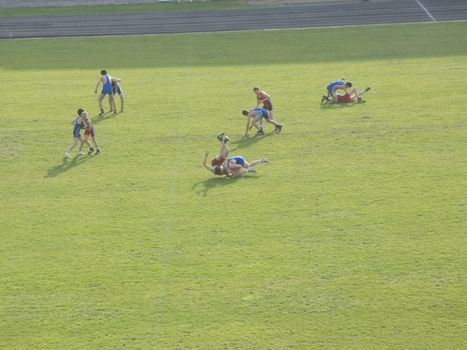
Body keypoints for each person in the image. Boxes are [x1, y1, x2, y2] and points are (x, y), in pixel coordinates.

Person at [203, 133, 269, 177]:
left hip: (215, 162)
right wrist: (231, 174)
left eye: (222, 167)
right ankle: (261, 161)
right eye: (222, 168)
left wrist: (206, 156)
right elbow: (229, 173)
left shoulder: (213, 169)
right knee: (247, 166)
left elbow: (205, 164)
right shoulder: (223, 171)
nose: (222, 167)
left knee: (222, 153)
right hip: (233, 161)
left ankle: (222, 140)